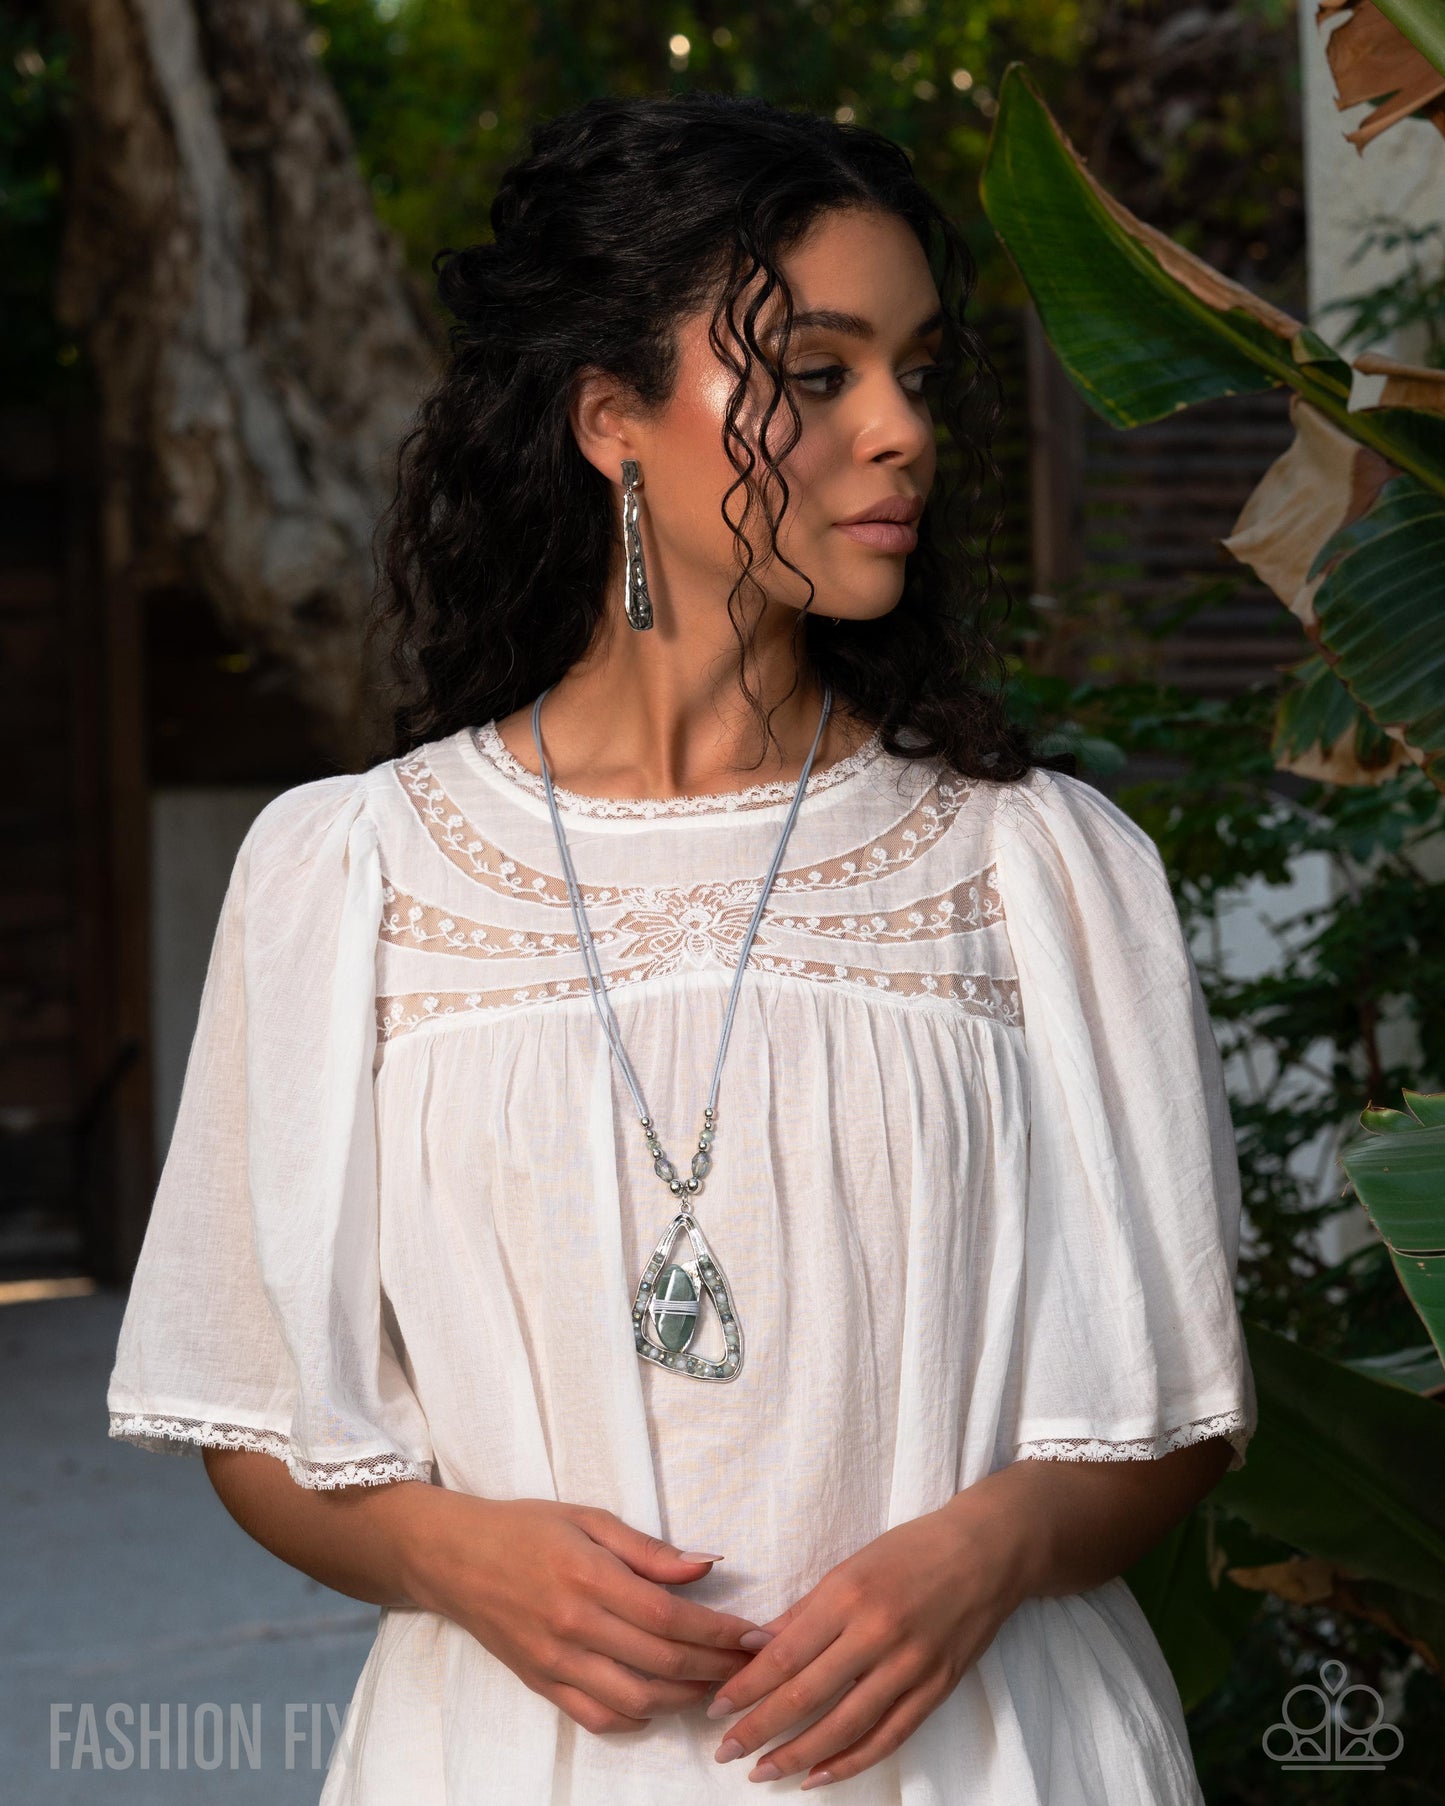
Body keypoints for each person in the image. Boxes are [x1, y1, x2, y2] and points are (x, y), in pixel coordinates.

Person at [107, 91, 1256, 1804]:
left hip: (984, 1753)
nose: (900, 434)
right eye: (815, 372)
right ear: (609, 423)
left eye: (917, 373)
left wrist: (986, 1551)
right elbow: (253, 1413)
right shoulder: (341, 876)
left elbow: (1175, 1409)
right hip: (508, 1762)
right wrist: (452, 1554)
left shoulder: (1043, 871)